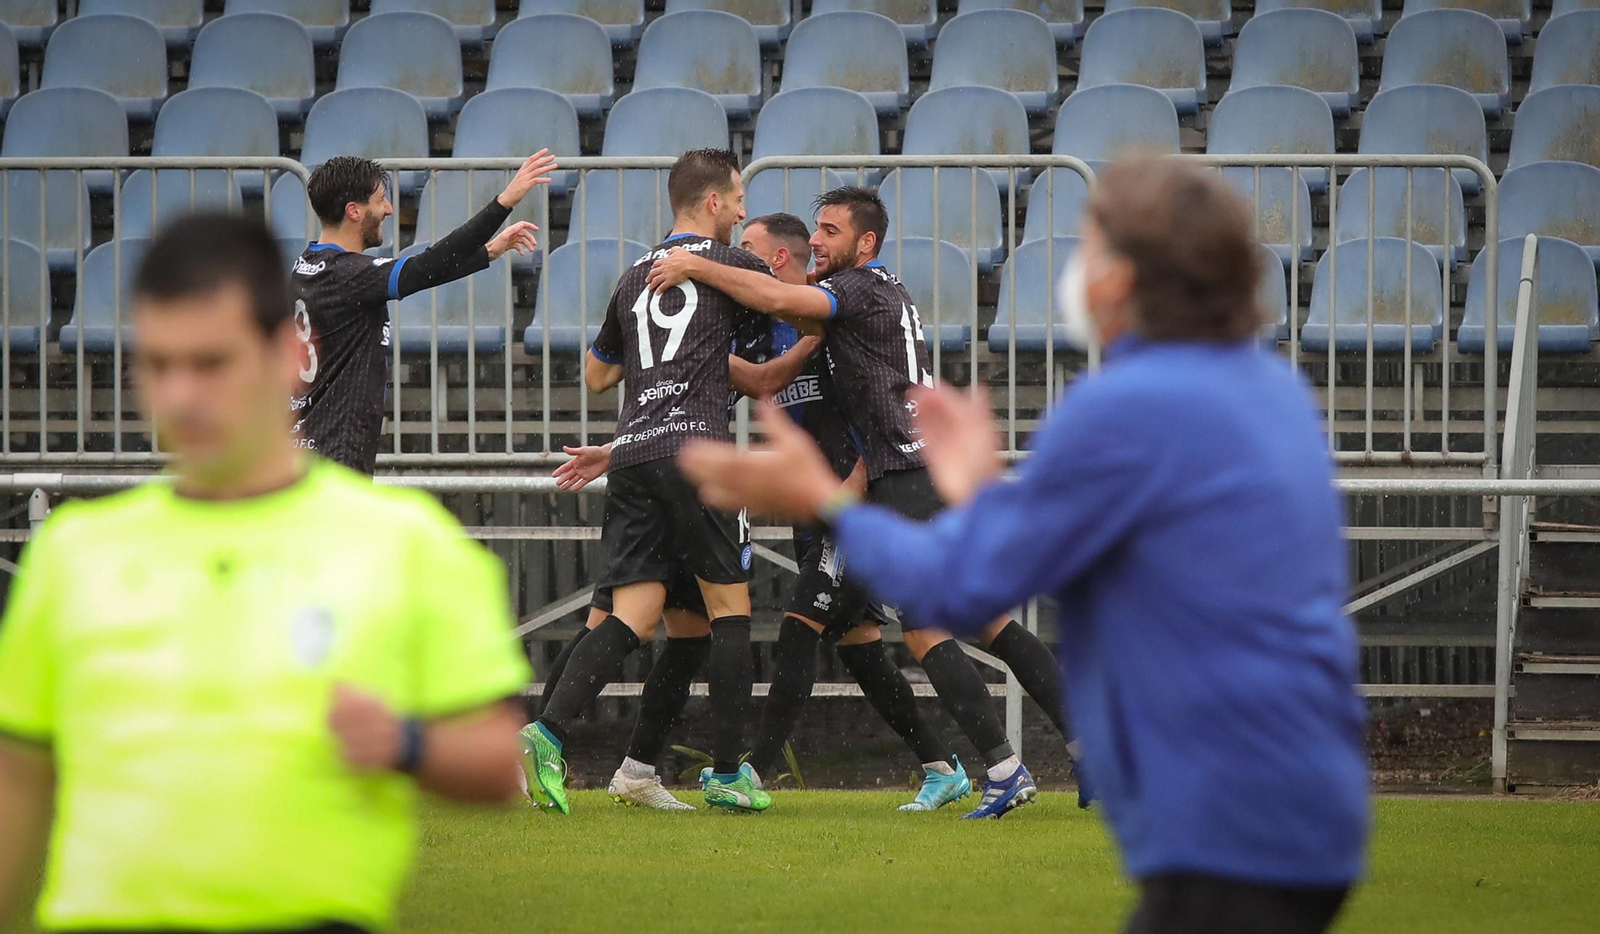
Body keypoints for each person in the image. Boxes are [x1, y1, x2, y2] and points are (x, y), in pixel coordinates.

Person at [677, 159, 1370, 933]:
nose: (1079, 272)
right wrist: (973, 484)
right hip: (1317, 793)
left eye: (1091, 251)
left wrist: (819, 501)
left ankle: (1002, 767)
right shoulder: (1275, 393)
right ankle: (1057, 757)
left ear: (1122, 278)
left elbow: (960, 581)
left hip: (1225, 813)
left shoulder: (1121, 405)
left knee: (938, 619)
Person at [0, 214, 532, 934]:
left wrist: (407, 744)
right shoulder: (72, 553)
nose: (182, 395)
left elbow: (497, 761)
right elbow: (17, 784)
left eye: (212, 363)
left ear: (288, 352)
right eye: (159, 365)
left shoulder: (405, 544)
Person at [647, 188, 1072, 819]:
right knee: (904, 634)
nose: (816, 242)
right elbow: (761, 367)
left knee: (886, 628)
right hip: (889, 483)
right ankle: (1005, 758)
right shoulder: (819, 320)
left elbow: (794, 314)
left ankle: (1000, 767)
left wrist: (694, 265)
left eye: (827, 230)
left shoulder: (851, 296)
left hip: (888, 483)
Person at [551, 213, 972, 813]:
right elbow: (688, 396)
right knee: (851, 643)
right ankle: (940, 765)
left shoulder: (820, 320)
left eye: (745, 249)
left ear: (773, 261)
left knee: (794, 631)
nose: (732, 252)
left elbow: (791, 389)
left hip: (845, 499)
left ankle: (746, 769)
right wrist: (625, 445)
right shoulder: (739, 316)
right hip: (716, 478)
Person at [519, 149, 773, 816]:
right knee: (730, 612)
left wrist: (659, 373)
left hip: (634, 451)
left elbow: (598, 376)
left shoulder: (632, 278)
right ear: (713, 202)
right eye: (738, 197)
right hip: (698, 452)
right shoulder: (734, 264)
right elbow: (780, 318)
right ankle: (725, 774)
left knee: (638, 617)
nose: (744, 210)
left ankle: (549, 735)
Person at [290, 151, 558, 474]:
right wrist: (504, 202)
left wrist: (488, 252)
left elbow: (425, 273)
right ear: (354, 211)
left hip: (305, 446)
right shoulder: (350, 275)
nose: (389, 209)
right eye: (380, 201)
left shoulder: (307, 265)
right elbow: (428, 265)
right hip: (334, 454)